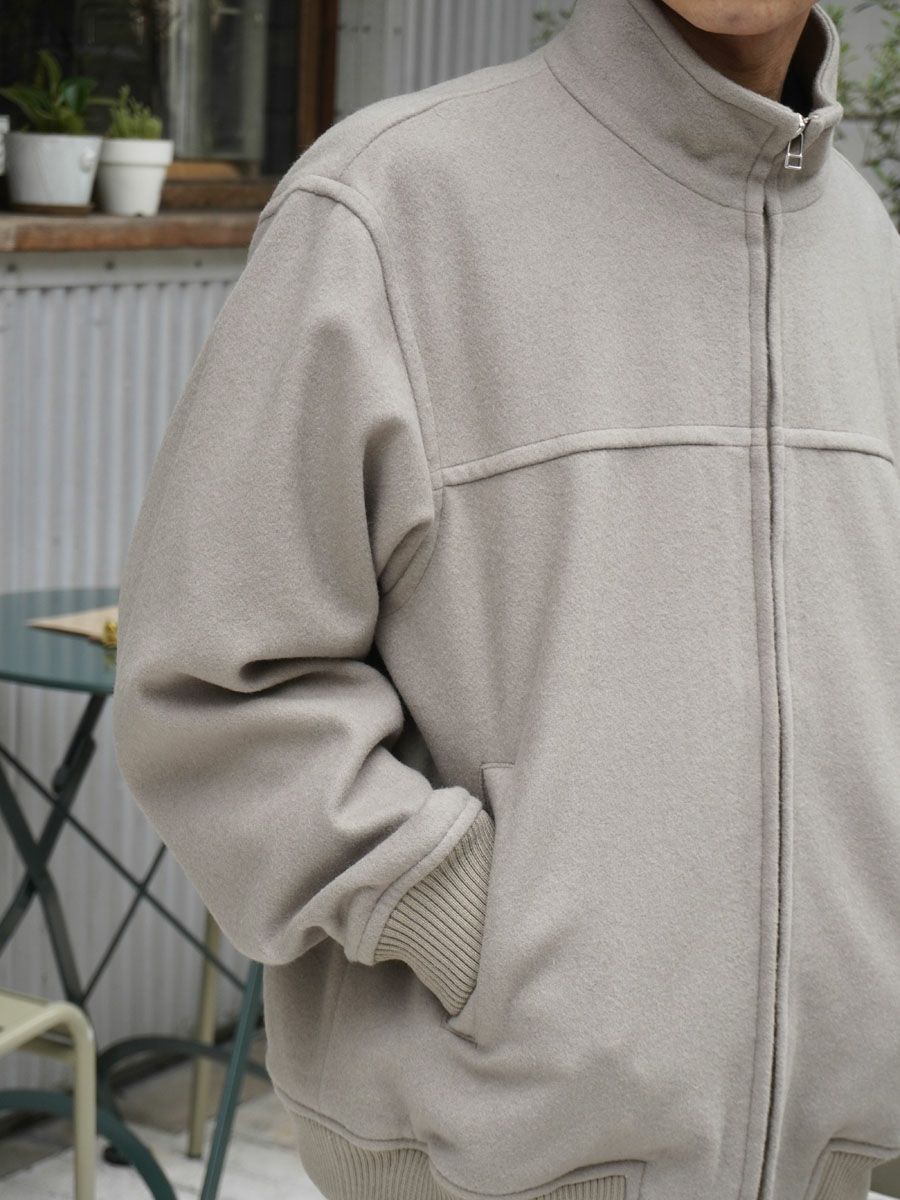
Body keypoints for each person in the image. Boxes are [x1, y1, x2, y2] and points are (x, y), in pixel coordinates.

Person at [110, 0, 900, 1196]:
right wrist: (477, 932)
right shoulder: (391, 205)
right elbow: (214, 684)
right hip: (492, 1161)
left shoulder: (868, 253)